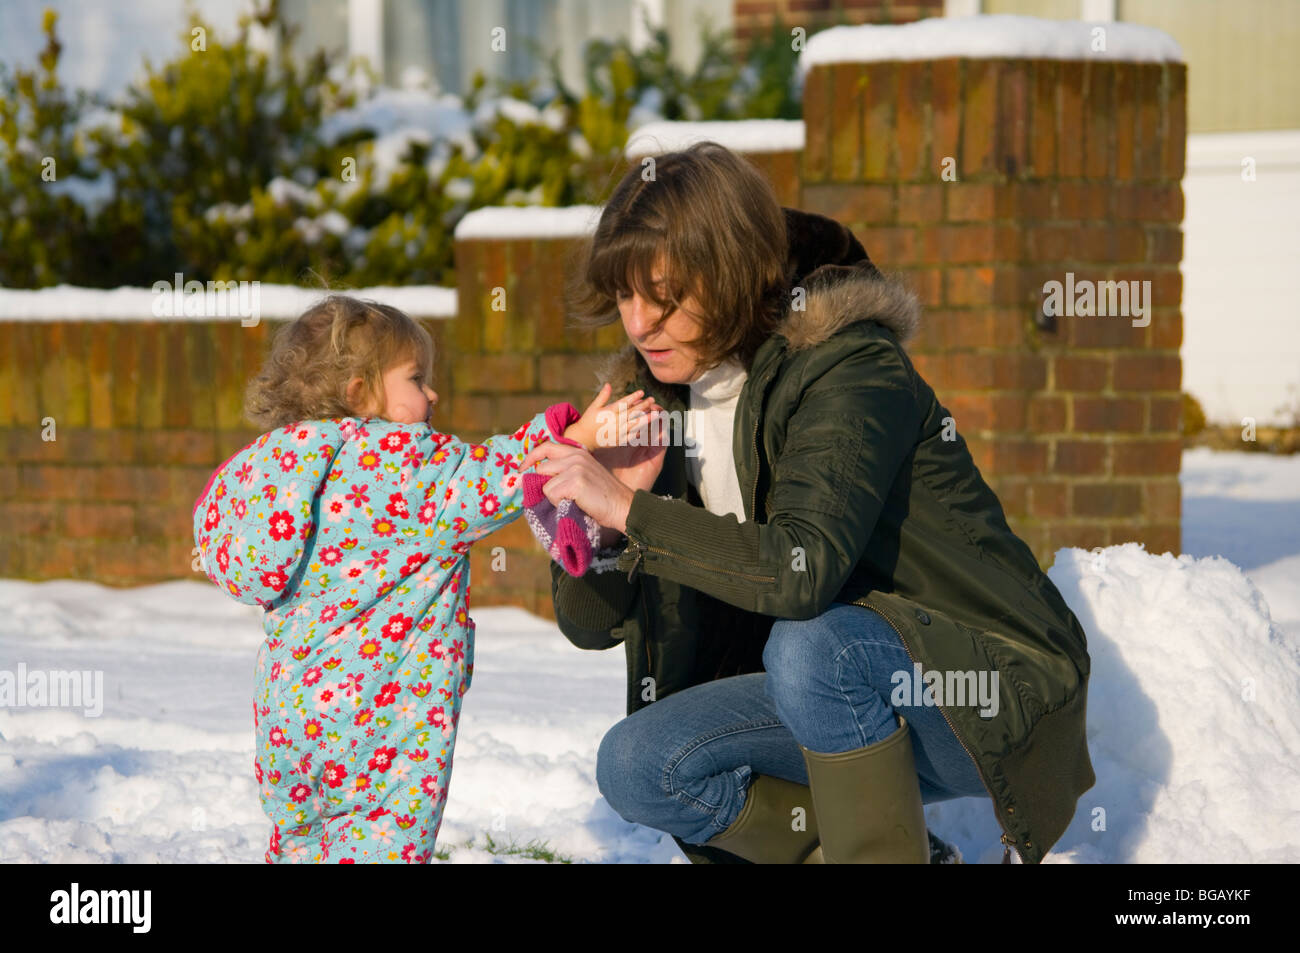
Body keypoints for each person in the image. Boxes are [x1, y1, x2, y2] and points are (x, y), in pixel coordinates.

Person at [521, 141, 1097, 864]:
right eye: (626, 295)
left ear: (729, 273)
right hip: (828, 694)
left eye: (664, 295)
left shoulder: (846, 364)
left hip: (986, 684)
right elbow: (590, 629)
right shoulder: (659, 399)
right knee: (639, 762)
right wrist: (602, 527)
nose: (638, 324)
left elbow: (801, 571)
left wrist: (636, 514)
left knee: (813, 644)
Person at [191, 293, 656, 863]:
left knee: (300, 843)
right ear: (359, 392)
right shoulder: (394, 463)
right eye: (416, 378)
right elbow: (484, 481)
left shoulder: (266, 469)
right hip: (380, 722)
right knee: (379, 843)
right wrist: (574, 438)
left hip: (288, 720)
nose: (432, 394)